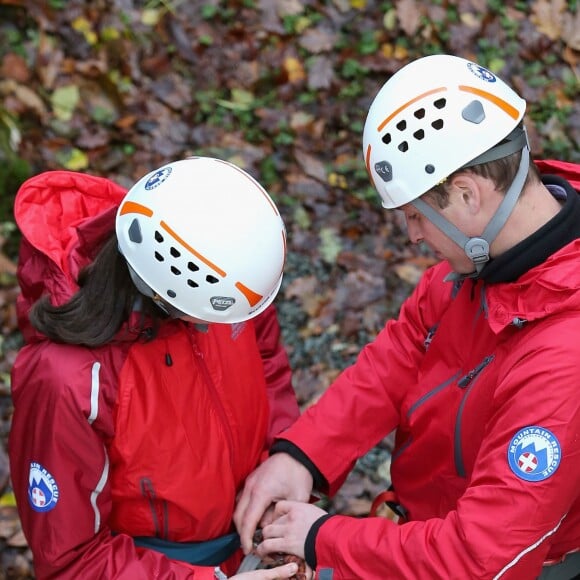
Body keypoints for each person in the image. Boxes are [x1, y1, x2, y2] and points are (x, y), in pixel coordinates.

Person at [233, 54, 580, 579]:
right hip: (425, 531)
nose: (413, 236)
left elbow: (480, 558)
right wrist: (303, 456)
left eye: (417, 215)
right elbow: (396, 359)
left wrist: (324, 538)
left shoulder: (564, 358)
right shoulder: (479, 265)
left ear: (468, 192)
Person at [8, 157, 304, 579]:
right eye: (216, 321)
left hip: (250, 544)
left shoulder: (226, 280)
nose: (230, 325)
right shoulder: (68, 382)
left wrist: (283, 458)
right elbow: (72, 561)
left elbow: (268, 366)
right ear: (171, 302)